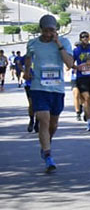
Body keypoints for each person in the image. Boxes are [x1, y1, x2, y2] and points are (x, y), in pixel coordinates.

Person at [24, 15, 74, 173]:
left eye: (51, 31)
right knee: (43, 120)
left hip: (57, 89)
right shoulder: (33, 43)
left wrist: (58, 44)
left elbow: (70, 63)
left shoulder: (64, 42)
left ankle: (47, 143)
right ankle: (48, 155)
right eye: (45, 31)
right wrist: (26, 71)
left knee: (53, 124)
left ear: (56, 30)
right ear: (41, 30)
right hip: (39, 87)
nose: (48, 34)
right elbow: (28, 57)